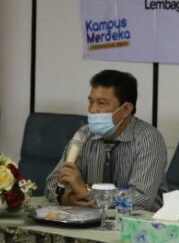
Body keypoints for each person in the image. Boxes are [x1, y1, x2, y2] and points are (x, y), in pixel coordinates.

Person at [45, 69, 167, 211]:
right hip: (89, 219)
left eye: (101, 103)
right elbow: (51, 184)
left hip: (140, 222)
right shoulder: (84, 134)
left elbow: (141, 199)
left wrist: (87, 192)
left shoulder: (148, 139)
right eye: (91, 102)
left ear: (126, 109)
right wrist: (66, 199)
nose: (92, 110)